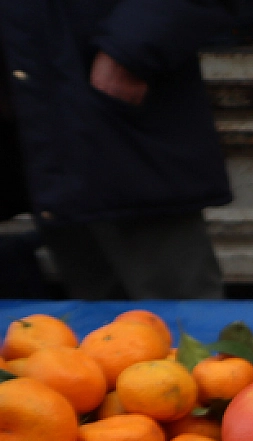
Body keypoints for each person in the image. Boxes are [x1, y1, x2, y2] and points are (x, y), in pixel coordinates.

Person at [0, 0, 235, 300]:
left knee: (179, 313)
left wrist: (129, 50)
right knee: (88, 318)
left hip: (120, 109)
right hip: (41, 116)